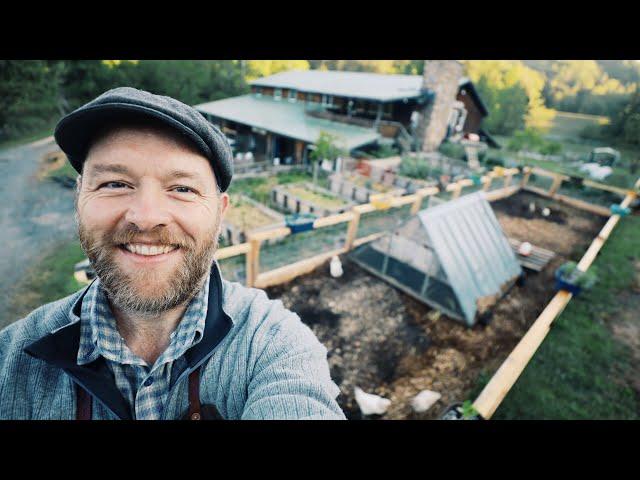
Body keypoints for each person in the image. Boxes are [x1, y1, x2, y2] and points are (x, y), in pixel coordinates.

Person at [0, 87, 345, 420]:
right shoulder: (9, 361)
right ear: (79, 198)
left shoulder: (273, 345)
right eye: (115, 184)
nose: (147, 217)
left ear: (220, 213)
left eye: (182, 188)